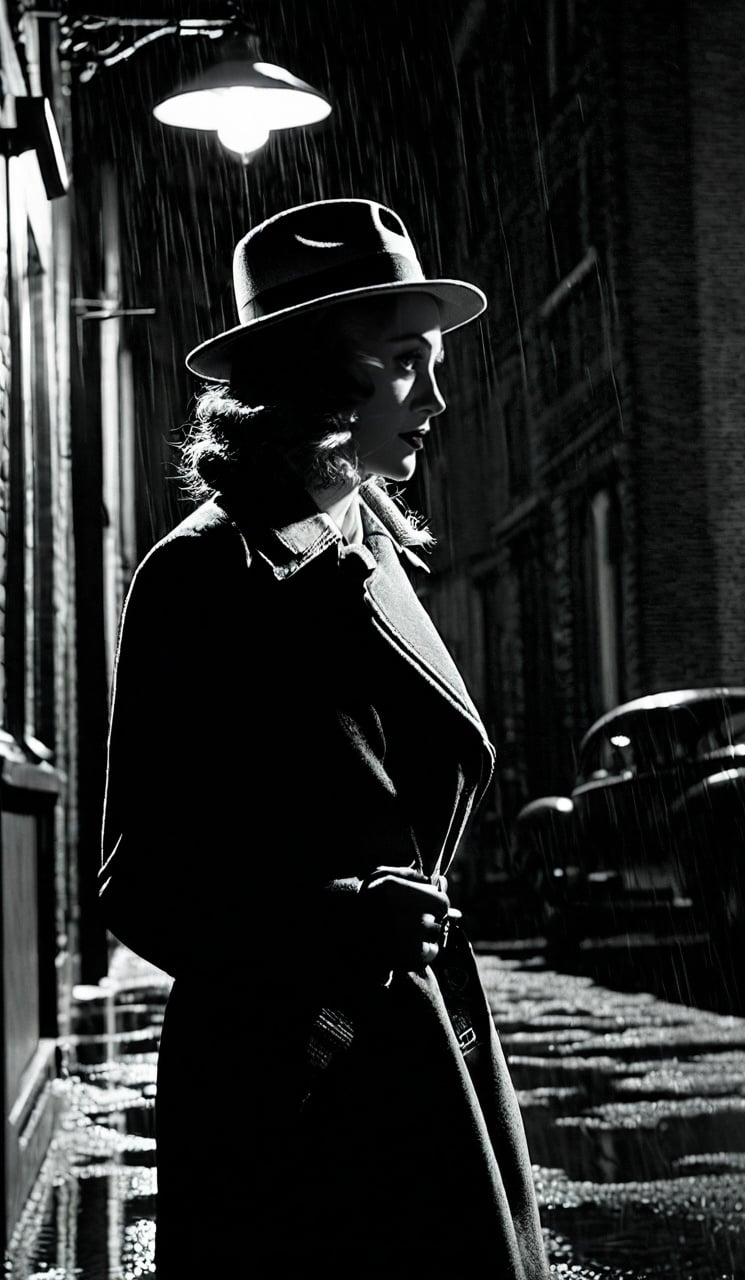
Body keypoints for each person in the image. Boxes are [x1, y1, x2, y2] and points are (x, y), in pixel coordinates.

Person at [99, 198, 550, 1279]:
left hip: (416, 1045)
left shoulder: (364, 540)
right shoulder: (201, 576)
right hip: (292, 1072)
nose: (437, 396)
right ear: (310, 376)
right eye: (403, 363)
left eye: (434, 361)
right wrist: (340, 914)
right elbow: (142, 883)